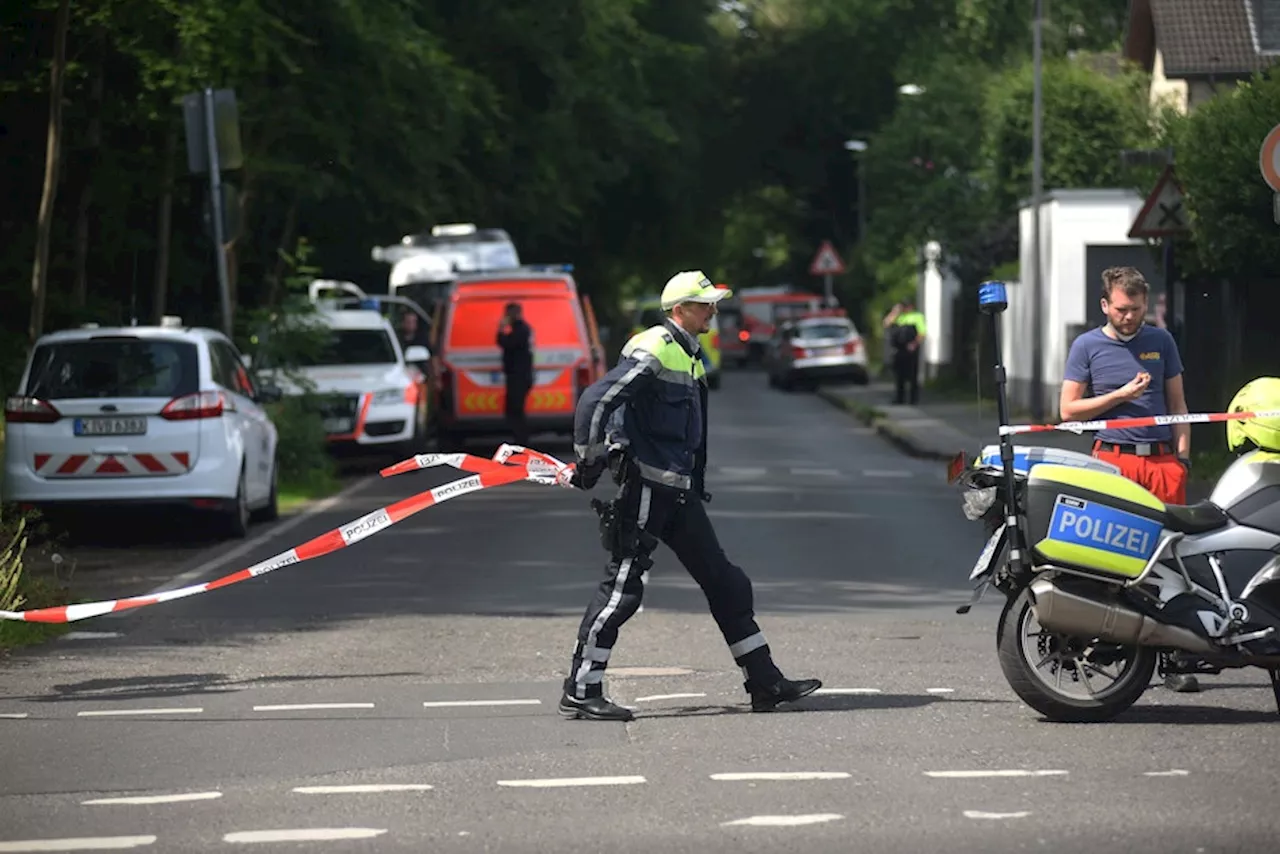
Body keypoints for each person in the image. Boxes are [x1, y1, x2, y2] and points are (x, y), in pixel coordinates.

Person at [559, 271, 822, 722]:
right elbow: (597, 400)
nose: (713, 311)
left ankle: (765, 682)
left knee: (726, 583)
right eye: (705, 305)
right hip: (647, 488)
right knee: (622, 588)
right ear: (680, 309)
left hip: (677, 492)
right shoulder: (655, 348)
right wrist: (589, 459)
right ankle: (582, 689)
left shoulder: (689, 353)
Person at [1059, 265, 1199, 693]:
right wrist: (1120, 396)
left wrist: (1182, 460)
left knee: (1172, 559)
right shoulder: (1087, 346)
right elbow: (1067, 410)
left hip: (1160, 463)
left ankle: (1176, 658)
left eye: (1136, 310)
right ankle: (1113, 645)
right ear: (1106, 305)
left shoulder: (1161, 341)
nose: (1129, 317)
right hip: (1114, 462)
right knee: (1114, 558)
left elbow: (1178, 404)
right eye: (1121, 309)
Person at [496, 302, 534, 446]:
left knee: (516, 410)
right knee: (513, 409)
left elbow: (506, 343)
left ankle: (521, 441)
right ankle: (519, 439)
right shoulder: (519, 329)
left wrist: (500, 329)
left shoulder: (521, 330)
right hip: (516, 376)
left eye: (507, 314)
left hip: (519, 376)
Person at [882, 300, 926, 405]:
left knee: (912, 375)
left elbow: (922, 332)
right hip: (899, 349)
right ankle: (899, 398)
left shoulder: (917, 316)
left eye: (905, 307)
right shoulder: (898, 317)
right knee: (899, 375)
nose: (904, 309)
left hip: (911, 349)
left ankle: (913, 399)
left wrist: (914, 344)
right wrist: (894, 312)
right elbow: (886, 324)